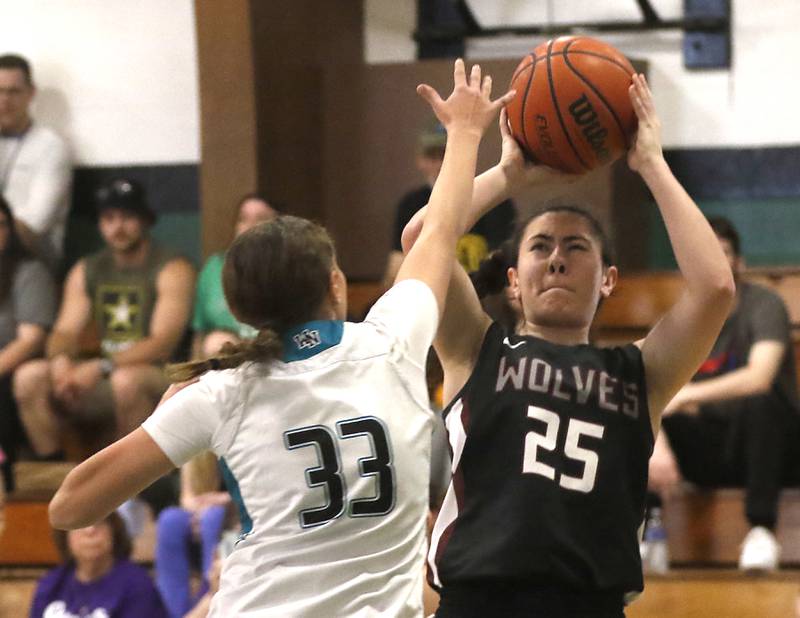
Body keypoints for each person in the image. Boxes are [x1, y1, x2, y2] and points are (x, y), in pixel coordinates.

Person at [47, 60, 516, 616]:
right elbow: (438, 230)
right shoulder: (391, 344)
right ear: (336, 286)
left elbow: (68, 507)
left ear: (242, 309)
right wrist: (467, 135)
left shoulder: (222, 392)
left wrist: (165, 420)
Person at [402, 74, 735, 616]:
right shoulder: (475, 348)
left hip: (589, 604)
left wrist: (651, 163)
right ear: (512, 279)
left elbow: (716, 288)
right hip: (476, 600)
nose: (557, 258)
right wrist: (508, 173)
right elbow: (423, 240)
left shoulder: (641, 373)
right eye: (540, 246)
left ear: (608, 280)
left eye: (576, 247)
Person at [647, 216, 800, 571]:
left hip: (774, 451)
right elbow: (653, 391)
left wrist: (686, 396)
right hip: (715, 449)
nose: (713, 257)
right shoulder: (682, 320)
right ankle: (649, 533)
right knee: (641, 417)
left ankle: (762, 529)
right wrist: (659, 441)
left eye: (723, 251)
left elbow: (759, 378)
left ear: (739, 263)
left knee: (763, 403)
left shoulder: (762, 305)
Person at [13, 177, 195, 458]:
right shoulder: (88, 268)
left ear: (145, 220)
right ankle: (58, 474)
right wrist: (61, 363)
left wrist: (101, 367)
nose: (117, 227)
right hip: (101, 375)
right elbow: (64, 332)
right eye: (109, 218)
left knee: (126, 381)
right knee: (29, 376)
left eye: (127, 217)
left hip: (158, 376)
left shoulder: (172, 267)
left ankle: (133, 487)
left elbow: (162, 344)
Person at [381, 122, 516, 289]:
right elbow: (395, 270)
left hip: (484, 298)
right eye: (432, 156)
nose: (440, 164)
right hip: (427, 299)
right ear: (420, 160)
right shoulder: (411, 204)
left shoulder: (496, 202)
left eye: (446, 154)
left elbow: (503, 266)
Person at [0, 196, 57, 492]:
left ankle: (7, 474)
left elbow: (31, 340)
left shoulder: (27, 272)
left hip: (11, 369)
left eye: (1, 226)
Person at [0, 53, 71, 271]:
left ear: (31, 94)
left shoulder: (51, 147)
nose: (5, 100)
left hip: (31, 259)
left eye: (14, 92)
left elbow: (36, 224)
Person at [29, 511, 167, 617]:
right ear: (65, 536)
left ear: (114, 531)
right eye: (80, 524)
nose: (90, 530)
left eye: (100, 522)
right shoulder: (51, 584)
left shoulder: (137, 585)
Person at [192, 193, 277, 357]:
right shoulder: (215, 267)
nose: (250, 225)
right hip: (230, 357)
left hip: (277, 354)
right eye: (243, 218)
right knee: (216, 342)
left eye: (261, 218)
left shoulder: (291, 266)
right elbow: (200, 332)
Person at [155, 451, 230, 618]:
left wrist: (223, 500)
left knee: (213, 517)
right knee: (170, 519)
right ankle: (177, 612)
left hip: (234, 514)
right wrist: (200, 512)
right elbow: (187, 497)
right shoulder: (199, 436)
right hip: (202, 514)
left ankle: (212, 592)